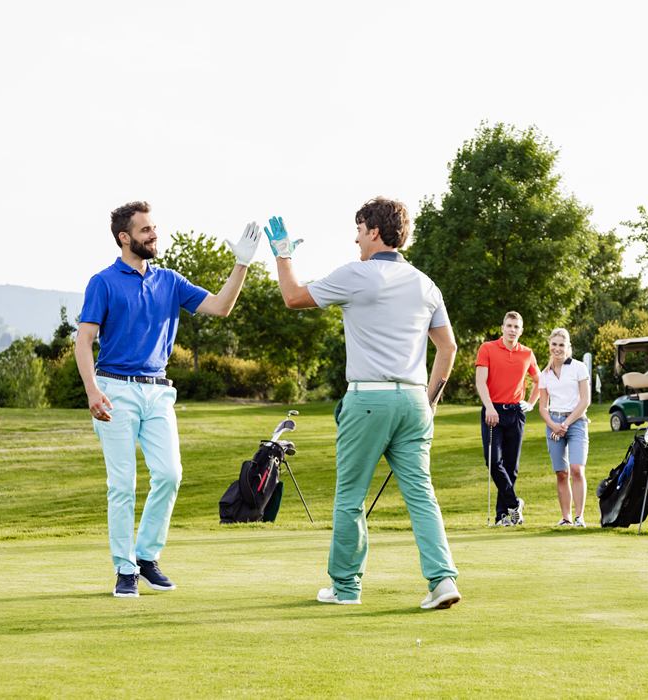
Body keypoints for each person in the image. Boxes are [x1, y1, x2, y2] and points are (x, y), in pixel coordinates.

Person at [266, 197, 461, 610]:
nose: (355, 238)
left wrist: (283, 256)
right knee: (421, 495)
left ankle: (346, 587)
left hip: (368, 399)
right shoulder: (426, 283)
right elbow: (447, 347)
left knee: (350, 496)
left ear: (374, 231)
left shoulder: (358, 274)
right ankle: (442, 580)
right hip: (413, 402)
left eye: (358, 229)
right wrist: (429, 401)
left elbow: (293, 297)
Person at [75, 200, 261, 597]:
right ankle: (125, 568)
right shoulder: (103, 282)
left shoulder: (170, 281)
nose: (153, 235)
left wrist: (241, 264)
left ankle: (145, 557)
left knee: (170, 474)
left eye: (154, 228)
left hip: (158, 391)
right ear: (124, 238)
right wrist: (92, 390)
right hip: (115, 390)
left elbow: (220, 307)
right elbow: (85, 340)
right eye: (145, 230)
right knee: (123, 484)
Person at [475, 311, 540, 526]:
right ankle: (514, 504)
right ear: (502, 327)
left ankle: (503, 516)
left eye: (516, 327)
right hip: (492, 413)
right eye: (509, 326)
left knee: (511, 467)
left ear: (521, 331)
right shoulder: (487, 348)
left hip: (515, 413)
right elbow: (480, 382)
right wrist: (489, 407)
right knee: (493, 461)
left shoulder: (527, 353)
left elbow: (539, 381)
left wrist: (530, 403)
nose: (512, 330)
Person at [537, 328, 591, 527]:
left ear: (568, 347)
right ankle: (566, 517)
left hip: (576, 422)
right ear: (550, 346)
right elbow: (543, 407)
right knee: (561, 472)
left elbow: (585, 400)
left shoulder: (578, 368)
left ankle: (579, 517)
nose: (558, 348)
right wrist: (554, 425)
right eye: (554, 344)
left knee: (577, 469)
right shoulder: (544, 374)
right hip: (554, 425)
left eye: (562, 345)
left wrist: (566, 424)